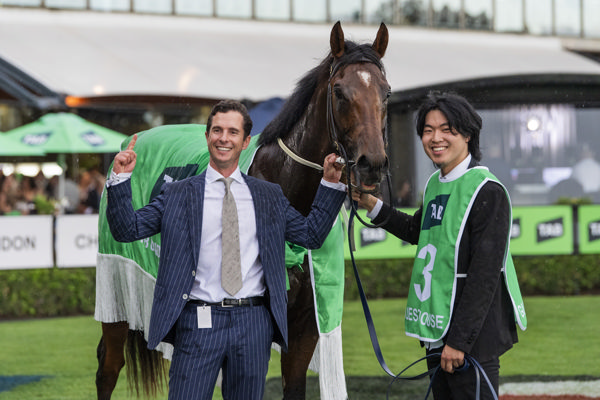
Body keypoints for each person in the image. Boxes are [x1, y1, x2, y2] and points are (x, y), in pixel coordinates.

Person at [105, 99, 347, 400]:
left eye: (233, 132)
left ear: (245, 142)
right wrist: (120, 179)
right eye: (217, 130)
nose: (224, 138)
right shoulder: (178, 194)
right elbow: (127, 229)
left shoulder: (269, 196)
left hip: (253, 325)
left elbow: (311, 235)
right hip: (197, 322)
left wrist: (330, 184)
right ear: (207, 136)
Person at [352, 92, 526, 399]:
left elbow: (484, 276)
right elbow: (416, 230)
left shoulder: (488, 191)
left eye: (447, 129)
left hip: (469, 343)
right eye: (428, 130)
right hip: (437, 333)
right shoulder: (436, 183)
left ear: (468, 134)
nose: (436, 138)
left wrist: (459, 342)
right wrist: (371, 204)